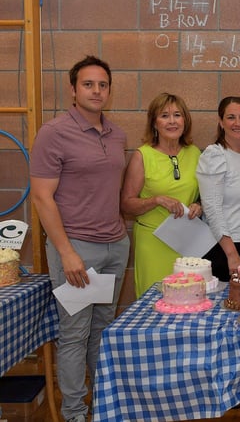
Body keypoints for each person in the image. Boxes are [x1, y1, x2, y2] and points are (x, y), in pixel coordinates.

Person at [30, 55, 130, 422]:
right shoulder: (53, 132)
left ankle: (101, 408)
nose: (97, 91)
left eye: (103, 84)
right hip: (75, 249)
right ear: (73, 90)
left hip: (114, 246)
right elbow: (42, 197)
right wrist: (66, 252)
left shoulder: (116, 133)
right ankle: (74, 414)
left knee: (102, 329)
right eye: (88, 84)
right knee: (74, 334)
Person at [120, 92, 202, 297]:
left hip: (187, 243)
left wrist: (199, 205)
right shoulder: (143, 156)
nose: (172, 121)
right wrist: (156, 200)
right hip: (153, 242)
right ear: (154, 123)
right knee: (155, 303)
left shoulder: (195, 153)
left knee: (189, 301)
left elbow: (203, 195)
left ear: (185, 120)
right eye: (164, 116)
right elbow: (126, 204)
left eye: (177, 115)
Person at [197, 96, 240, 281]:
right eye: (231, 117)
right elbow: (212, 209)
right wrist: (232, 255)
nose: (238, 123)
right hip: (225, 250)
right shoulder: (215, 155)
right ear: (220, 122)